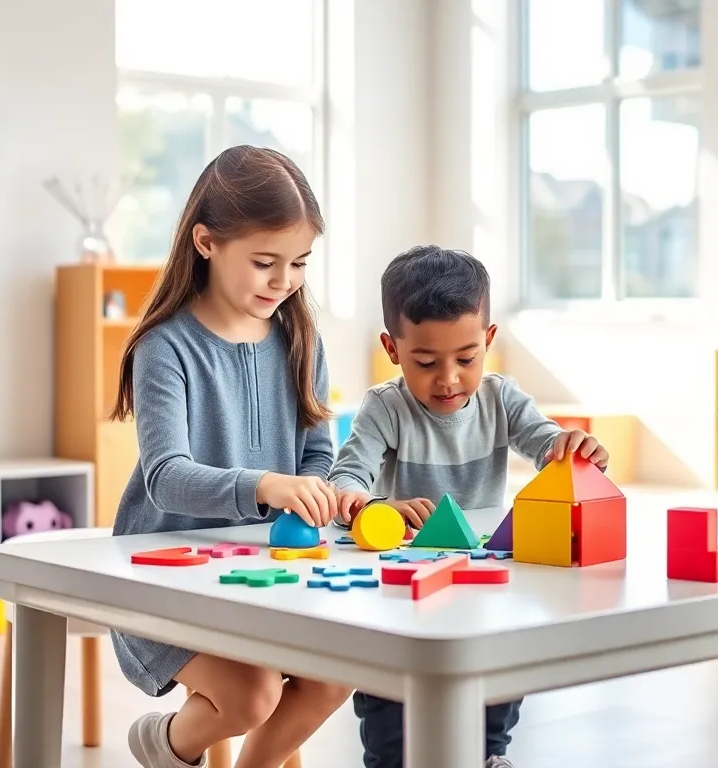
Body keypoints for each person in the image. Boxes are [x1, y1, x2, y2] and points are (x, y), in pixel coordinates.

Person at [107, 145, 352, 768]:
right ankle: (163, 743)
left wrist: (317, 491)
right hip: (164, 575)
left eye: (299, 263)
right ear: (206, 243)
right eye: (265, 262)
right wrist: (269, 486)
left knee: (336, 672)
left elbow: (318, 449)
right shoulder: (166, 347)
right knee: (251, 695)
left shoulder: (301, 341)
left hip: (266, 571)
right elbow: (166, 477)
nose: (284, 281)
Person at [329, 245, 609, 768]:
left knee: (500, 667)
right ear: (392, 348)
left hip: (480, 575)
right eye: (426, 362)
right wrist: (371, 507)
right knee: (391, 708)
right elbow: (346, 478)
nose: (449, 379)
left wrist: (570, 446)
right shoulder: (385, 408)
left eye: (466, 358)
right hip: (401, 588)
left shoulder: (502, 398)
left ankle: (489, 755)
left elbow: (545, 441)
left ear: (489, 340)